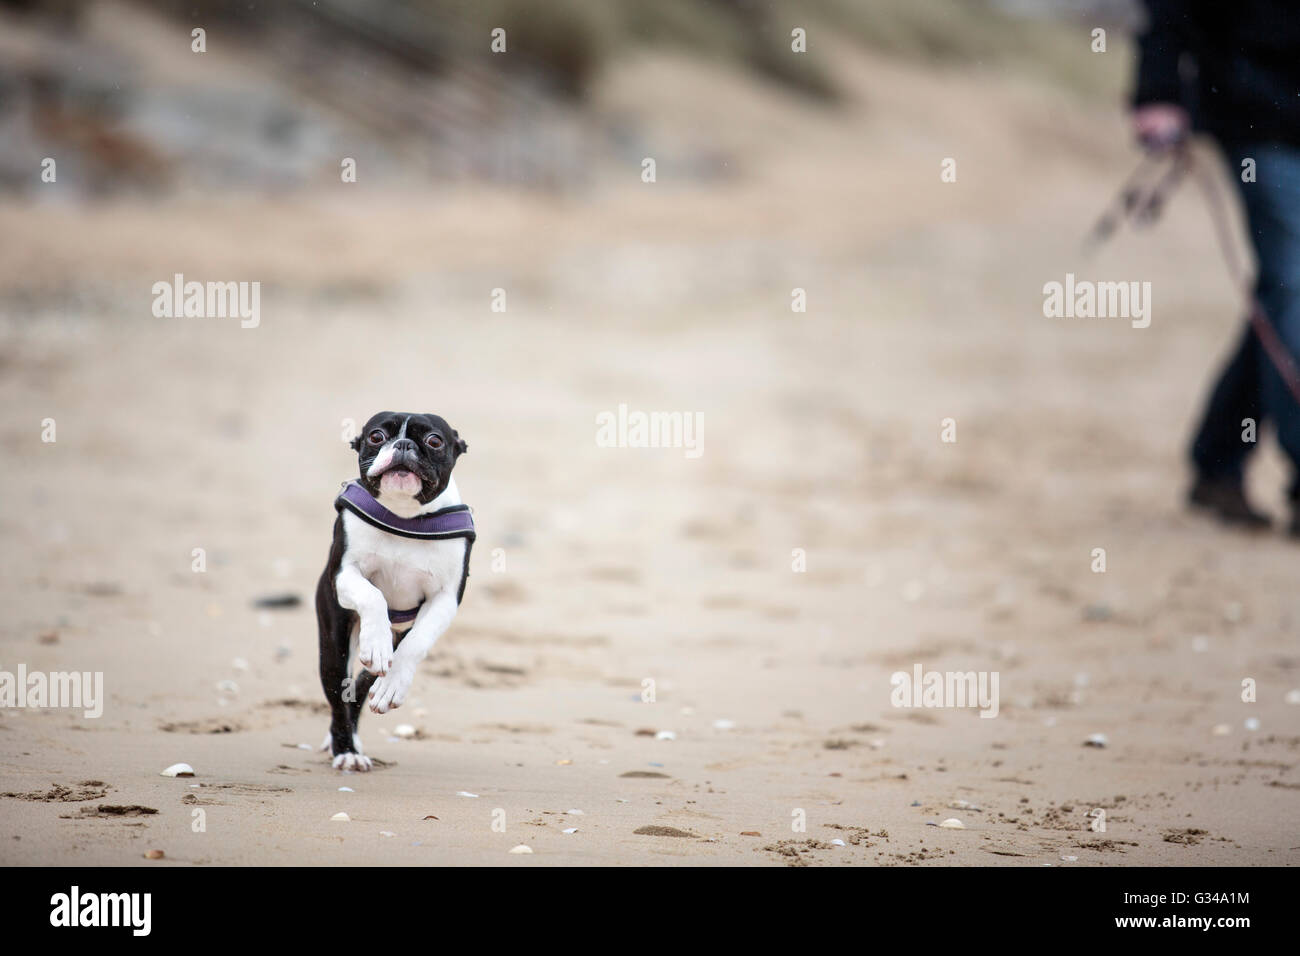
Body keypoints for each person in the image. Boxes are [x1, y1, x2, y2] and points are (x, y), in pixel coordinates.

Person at [1132, 1, 1300, 534]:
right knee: (1290, 283)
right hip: (1257, 112)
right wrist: (1157, 90)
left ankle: (1219, 460)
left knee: (1283, 295)